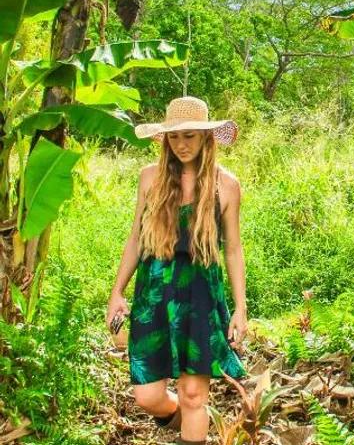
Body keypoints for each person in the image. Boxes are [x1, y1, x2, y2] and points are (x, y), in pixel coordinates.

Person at [106, 96, 248, 445]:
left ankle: (193, 426)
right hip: (154, 293)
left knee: (194, 395)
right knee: (147, 396)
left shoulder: (226, 185)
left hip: (200, 295)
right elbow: (136, 238)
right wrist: (117, 292)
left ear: (206, 137)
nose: (181, 144)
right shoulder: (149, 178)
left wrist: (240, 307)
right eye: (174, 136)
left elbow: (233, 249)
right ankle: (186, 420)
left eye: (189, 136)